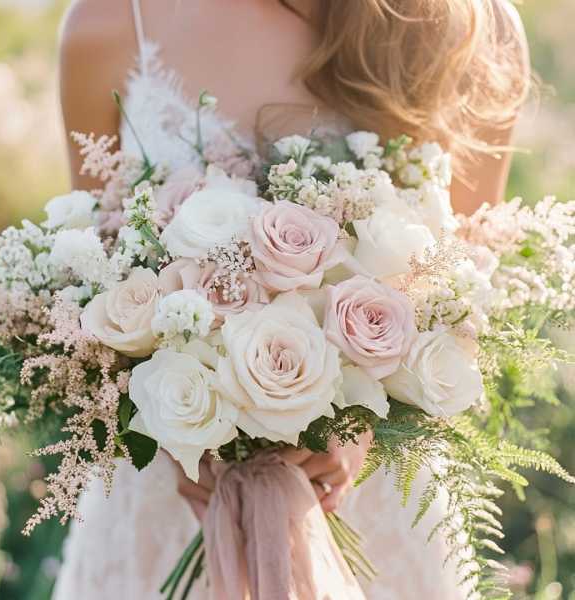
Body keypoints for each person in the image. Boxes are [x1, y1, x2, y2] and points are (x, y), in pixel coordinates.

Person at [53, 1, 530, 598]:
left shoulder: (468, 29)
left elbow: (467, 292)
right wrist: (172, 422)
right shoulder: (110, 24)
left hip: (374, 504)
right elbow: (95, 287)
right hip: (166, 503)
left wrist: (368, 423)